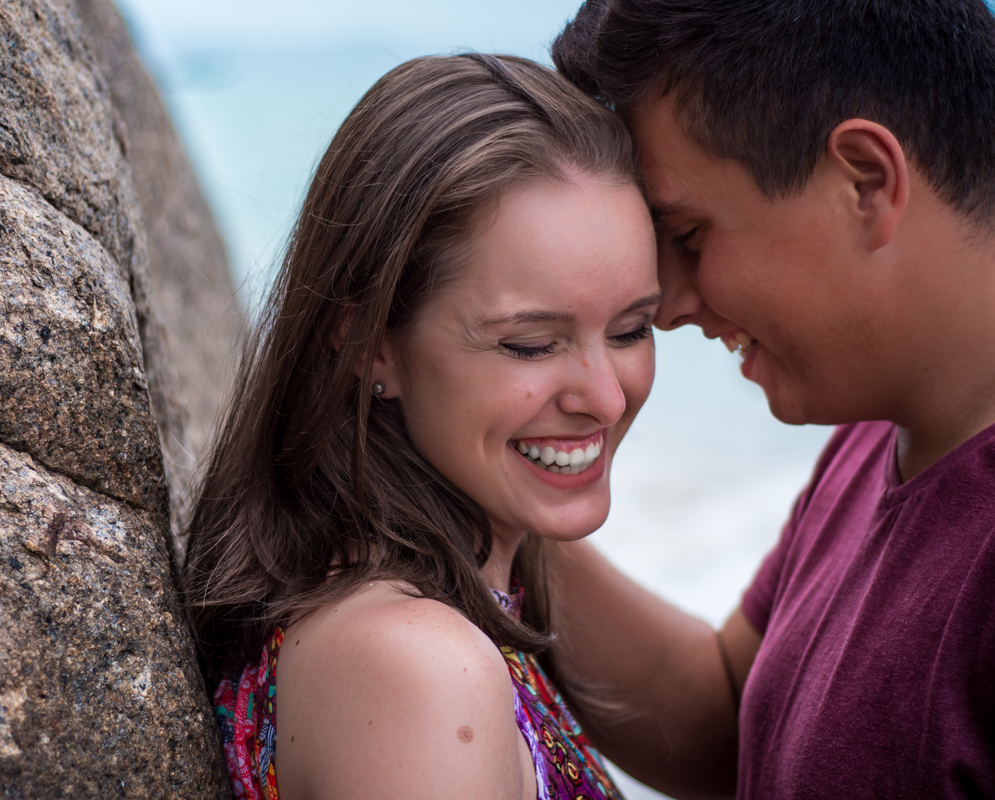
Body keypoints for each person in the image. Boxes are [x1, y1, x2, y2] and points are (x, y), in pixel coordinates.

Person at [182, 53, 662, 800]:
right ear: (373, 345)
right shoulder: (419, 669)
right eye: (531, 344)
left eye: (633, 329)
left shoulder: (439, 598)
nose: (605, 397)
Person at [545, 1, 995, 798]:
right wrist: (493, 497)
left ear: (864, 181)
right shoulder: (880, 430)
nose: (669, 303)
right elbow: (739, 722)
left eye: (687, 235)